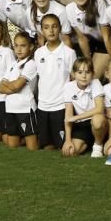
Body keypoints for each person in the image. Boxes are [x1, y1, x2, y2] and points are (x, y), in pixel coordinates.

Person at [33, 14, 76, 150]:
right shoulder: (38, 53)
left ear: (60, 29)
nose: (51, 31)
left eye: (54, 27)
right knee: (46, 146)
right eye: (46, 27)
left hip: (60, 106)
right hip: (43, 106)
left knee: (61, 146)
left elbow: (73, 80)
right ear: (42, 31)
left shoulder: (69, 53)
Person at [65, 0, 111, 78]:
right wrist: (88, 63)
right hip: (93, 43)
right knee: (83, 73)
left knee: (92, 77)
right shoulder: (69, 9)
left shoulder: (98, 3)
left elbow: (107, 37)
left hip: (109, 43)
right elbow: (82, 38)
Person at [0, 32, 39, 150]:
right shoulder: (12, 64)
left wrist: (11, 86)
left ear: (31, 47)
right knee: (12, 146)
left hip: (25, 109)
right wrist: (15, 86)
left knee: (32, 148)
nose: (19, 49)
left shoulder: (31, 64)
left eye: (23, 45)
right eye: (16, 46)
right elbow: (0, 88)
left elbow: (17, 86)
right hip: (10, 108)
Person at [60, 58, 107, 157]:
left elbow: (100, 109)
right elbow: (68, 116)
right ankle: (89, 142)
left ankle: (98, 145)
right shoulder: (68, 87)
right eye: (80, 72)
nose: (84, 76)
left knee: (97, 120)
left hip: (96, 121)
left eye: (87, 72)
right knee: (70, 152)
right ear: (73, 74)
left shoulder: (96, 83)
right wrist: (68, 140)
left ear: (93, 74)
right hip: (81, 125)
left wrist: (76, 117)